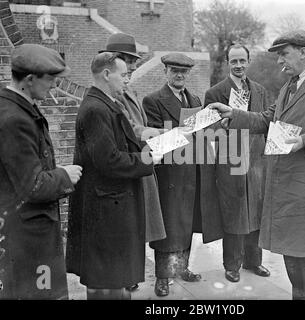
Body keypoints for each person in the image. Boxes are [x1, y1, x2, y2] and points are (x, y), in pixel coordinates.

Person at [210, 30, 305, 300]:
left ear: (303, 52)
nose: (280, 61)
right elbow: (268, 120)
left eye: (284, 54)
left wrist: (303, 141)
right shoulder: (289, 87)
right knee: (297, 274)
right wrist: (235, 115)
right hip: (291, 194)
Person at [65, 52, 162, 300]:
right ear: (107, 75)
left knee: (113, 279)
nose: (127, 80)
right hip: (106, 209)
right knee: (107, 281)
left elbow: (119, 147)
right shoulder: (97, 109)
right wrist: (148, 159)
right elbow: (109, 160)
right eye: (124, 74)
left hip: (110, 205)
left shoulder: (104, 103)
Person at [0, 44, 82, 299]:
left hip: (28, 232)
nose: (55, 86)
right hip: (28, 238)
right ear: (29, 79)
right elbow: (32, 186)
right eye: (50, 80)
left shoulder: (18, 107)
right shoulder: (15, 119)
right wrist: (64, 176)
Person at [143, 53, 223, 297]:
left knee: (187, 223)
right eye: (174, 70)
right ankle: (163, 277)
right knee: (169, 226)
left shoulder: (194, 98)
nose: (179, 75)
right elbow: (155, 140)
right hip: (170, 173)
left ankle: (181, 267)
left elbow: (200, 135)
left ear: (189, 74)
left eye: (184, 72)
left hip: (193, 170)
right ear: (165, 71)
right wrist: (185, 131)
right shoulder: (153, 100)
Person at [100, 33, 167, 292]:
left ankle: (130, 275)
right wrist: (146, 133)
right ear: (115, 61)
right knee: (130, 225)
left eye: (135, 61)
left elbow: (136, 123)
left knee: (137, 225)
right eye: (130, 60)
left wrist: (153, 133)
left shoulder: (128, 88)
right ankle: (127, 276)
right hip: (130, 164)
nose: (134, 66)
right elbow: (128, 126)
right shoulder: (111, 92)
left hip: (140, 161)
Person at [204, 43, 270, 282]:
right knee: (234, 212)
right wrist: (219, 127)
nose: (239, 66)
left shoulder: (260, 91)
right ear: (227, 63)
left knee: (256, 211)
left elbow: (264, 122)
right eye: (234, 61)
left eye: (243, 61)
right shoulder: (215, 93)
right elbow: (207, 131)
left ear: (248, 62)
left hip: (256, 161)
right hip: (230, 159)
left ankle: (255, 262)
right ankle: (232, 265)